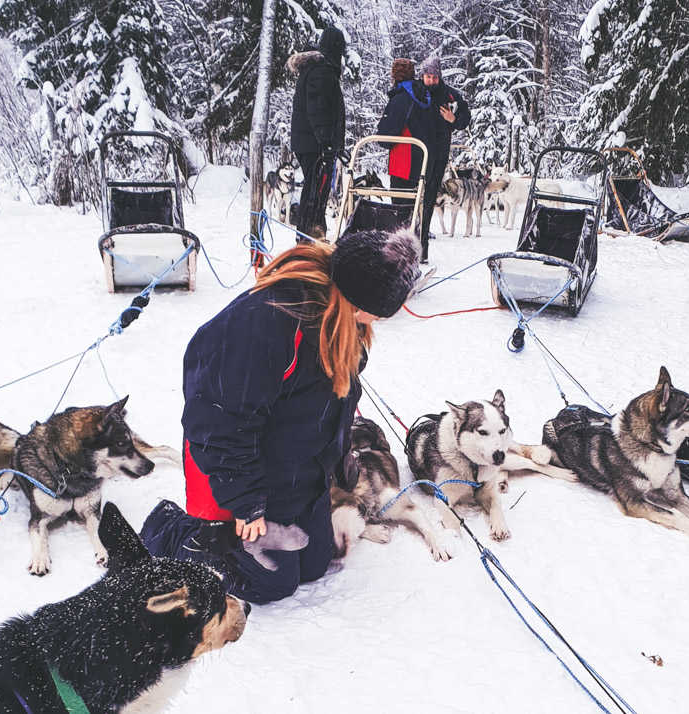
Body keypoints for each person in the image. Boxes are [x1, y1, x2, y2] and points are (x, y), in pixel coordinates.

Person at [140, 229, 421, 603]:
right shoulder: (266, 325)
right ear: (358, 298)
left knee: (316, 562)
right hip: (234, 466)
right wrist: (246, 504)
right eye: (382, 310)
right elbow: (219, 420)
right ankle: (176, 531)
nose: (381, 320)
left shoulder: (345, 321)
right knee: (272, 582)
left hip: (294, 470)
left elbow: (330, 404)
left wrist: (339, 463)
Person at [289, 25, 347, 238]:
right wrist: (327, 143)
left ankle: (313, 234)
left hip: (311, 143)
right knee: (315, 193)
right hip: (315, 145)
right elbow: (319, 110)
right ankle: (307, 237)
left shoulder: (318, 69)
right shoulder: (322, 71)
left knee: (316, 192)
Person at [418, 55, 471, 263]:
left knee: (431, 197)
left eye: (434, 77)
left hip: (439, 153)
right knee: (414, 198)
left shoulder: (450, 95)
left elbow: (465, 118)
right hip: (418, 152)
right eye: (427, 76)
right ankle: (411, 239)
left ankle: (423, 248)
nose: (430, 81)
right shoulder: (417, 90)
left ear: (439, 77)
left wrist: (453, 120)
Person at [377, 58, 433, 211]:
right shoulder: (423, 94)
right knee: (415, 202)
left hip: (403, 158)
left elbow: (387, 133)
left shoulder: (400, 98)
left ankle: (401, 232)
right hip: (421, 155)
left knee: (400, 203)